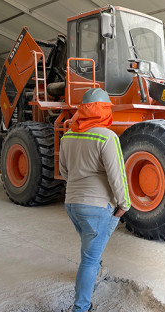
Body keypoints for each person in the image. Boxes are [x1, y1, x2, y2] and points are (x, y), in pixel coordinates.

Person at [60, 88, 131, 312]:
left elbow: (64, 171)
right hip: (97, 206)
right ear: (103, 111)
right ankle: (81, 307)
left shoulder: (68, 135)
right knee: (89, 259)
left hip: (72, 204)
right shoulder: (107, 137)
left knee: (91, 248)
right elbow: (116, 174)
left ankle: (98, 270)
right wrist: (124, 203)